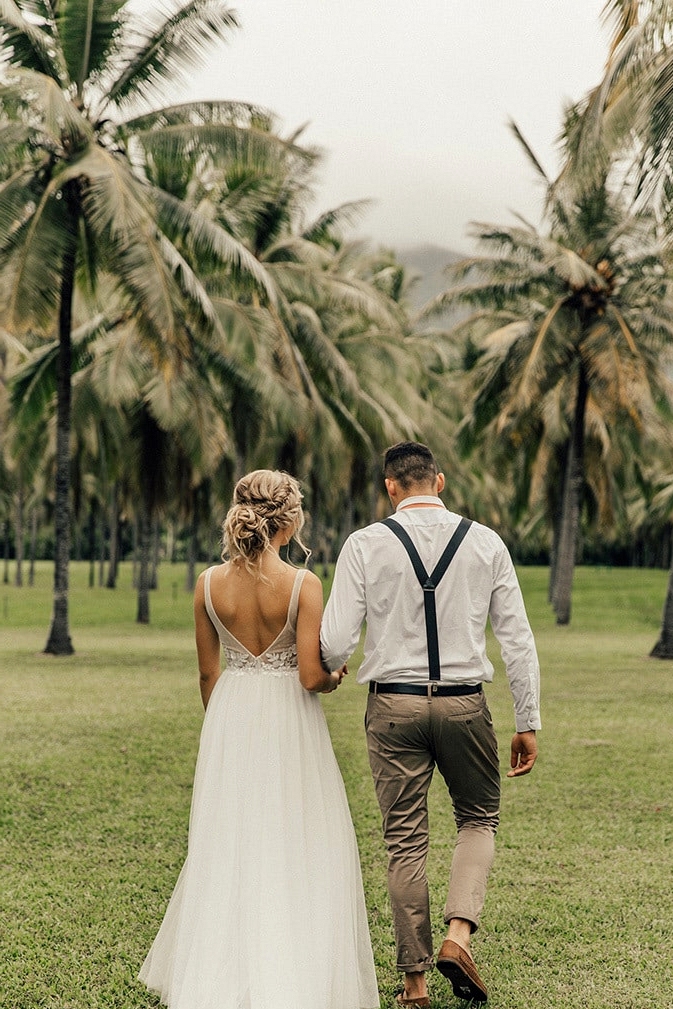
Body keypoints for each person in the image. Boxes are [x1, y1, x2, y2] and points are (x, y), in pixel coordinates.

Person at [139, 469, 380, 1009]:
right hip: (289, 718)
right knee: (296, 835)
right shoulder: (303, 585)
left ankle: (222, 977)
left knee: (231, 841)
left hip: (232, 714)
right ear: (289, 519)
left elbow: (207, 673)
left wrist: (225, 725)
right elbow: (311, 676)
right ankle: (294, 975)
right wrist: (336, 678)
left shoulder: (207, 584)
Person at [320, 442, 541, 1006]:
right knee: (478, 817)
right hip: (466, 702)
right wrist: (527, 719)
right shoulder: (486, 542)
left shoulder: (365, 544)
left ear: (391, 487)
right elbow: (516, 638)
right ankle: (457, 934)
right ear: (439, 482)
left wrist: (332, 664)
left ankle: (414, 984)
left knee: (404, 841)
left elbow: (337, 640)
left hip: (392, 706)